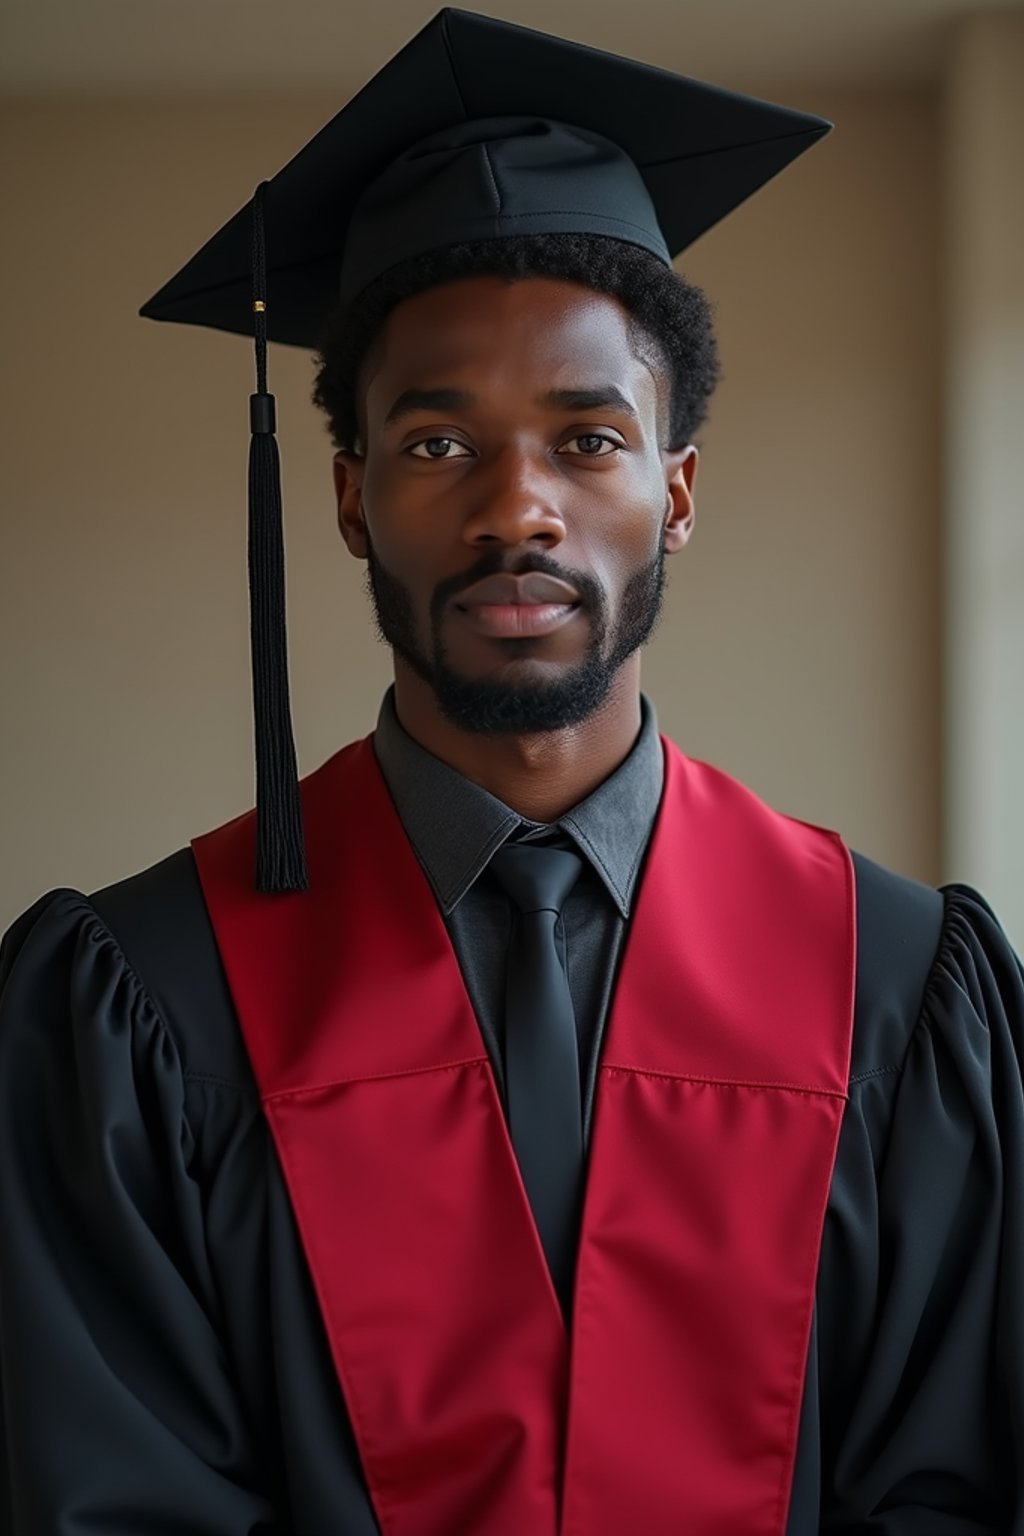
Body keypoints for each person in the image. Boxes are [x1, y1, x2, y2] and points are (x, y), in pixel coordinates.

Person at [1, 10, 1022, 1534]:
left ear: (676, 496)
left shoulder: (900, 984)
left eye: (588, 438)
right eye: (433, 445)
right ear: (349, 498)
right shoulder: (141, 1002)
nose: (515, 508)